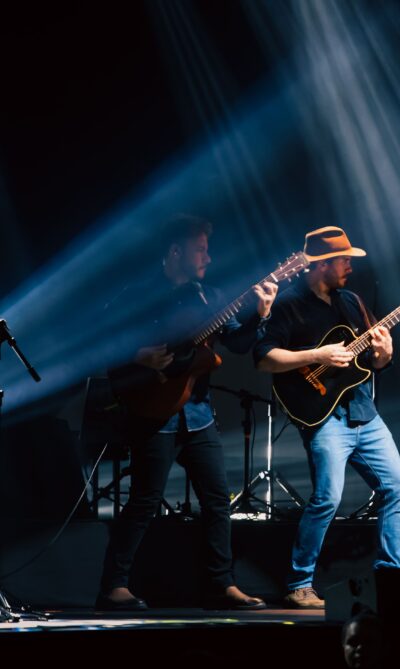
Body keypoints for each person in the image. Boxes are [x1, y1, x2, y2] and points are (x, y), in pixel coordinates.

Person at [98, 214, 277, 610]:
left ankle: (221, 584)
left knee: (217, 500)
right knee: (145, 499)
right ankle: (114, 586)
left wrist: (261, 313)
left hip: (197, 414)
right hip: (153, 410)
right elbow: (103, 341)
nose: (208, 257)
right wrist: (138, 355)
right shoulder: (138, 295)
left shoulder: (209, 297)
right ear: (175, 252)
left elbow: (240, 344)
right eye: (200, 249)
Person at [255, 226, 400, 609]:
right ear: (320, 264)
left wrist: (384, 353)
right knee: (328, 498)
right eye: (343, 260)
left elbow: (375, 361)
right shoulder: (289, 303)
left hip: (363, 411)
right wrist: (316, 356)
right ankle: (299, 583)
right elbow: (264, 358)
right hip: (324, 416)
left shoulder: (352, 301)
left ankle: (389, 576)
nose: (349, 267)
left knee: (399, 487)